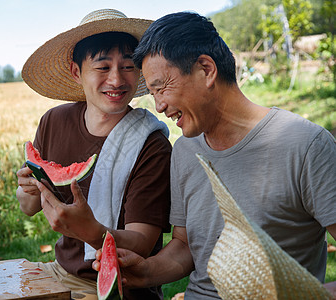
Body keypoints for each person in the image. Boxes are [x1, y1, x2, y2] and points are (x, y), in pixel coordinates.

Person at [93, 11, 336, 299]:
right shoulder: (184, 151)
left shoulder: (307, 145)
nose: (158, 106)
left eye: (161, 88)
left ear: (206, 70)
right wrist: (144, 271)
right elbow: (185, 246)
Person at [15, 9, 172, 300]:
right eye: (102, 68)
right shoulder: (53, 121)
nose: (116, 80)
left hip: (121, 287)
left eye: (127, 66)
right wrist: (28, 187)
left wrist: (92, 231)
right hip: (59, 272)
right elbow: (28, 207)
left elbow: (141, 242)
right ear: (77, 72)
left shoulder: (152, 145)